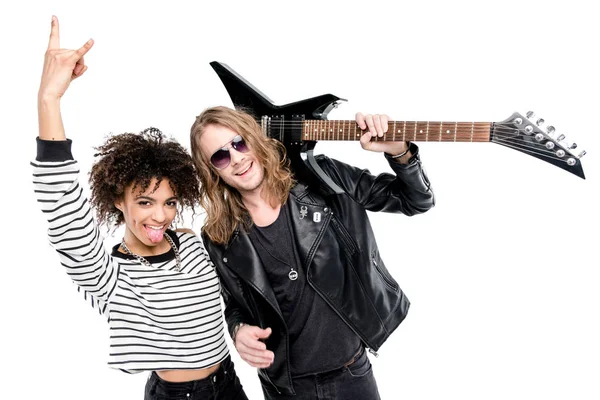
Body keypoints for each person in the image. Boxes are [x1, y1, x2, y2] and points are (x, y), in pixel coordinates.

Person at [33, 16, 248, 400]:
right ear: (119, 200)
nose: (161, 216)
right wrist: (49, 99)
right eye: (145, 202)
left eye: (169, 202)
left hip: (230, 384)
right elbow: (63, 206)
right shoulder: (109, 274)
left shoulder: (192, 245)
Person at [189, 105, 435, 399]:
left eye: (240, 142)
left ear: (255, 137)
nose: (237, 158)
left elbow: (415, 201)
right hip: (285, 388)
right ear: (211, 171)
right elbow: (235, 304)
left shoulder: (322, 178)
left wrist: (399, 153)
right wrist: (238, 329)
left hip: (351, 375)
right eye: (220, 156)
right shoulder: (219, 235)